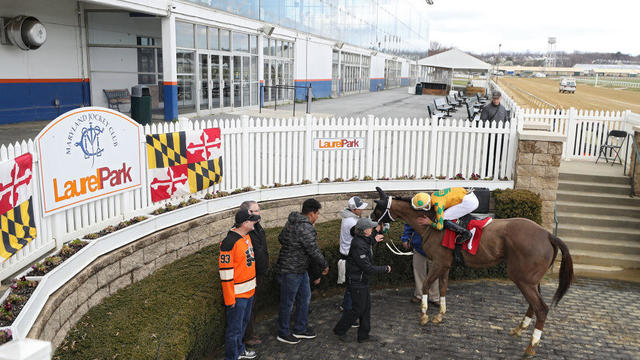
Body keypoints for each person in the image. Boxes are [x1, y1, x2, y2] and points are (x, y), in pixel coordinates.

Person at [275, 198, 329, 345]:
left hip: (300, 269)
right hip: (291, 270)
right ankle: (283, 332)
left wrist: (293, 246)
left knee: (304, 297)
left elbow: (281, 238)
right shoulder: (306, 227)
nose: (317, 217)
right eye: (317, 214)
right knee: (288, 302)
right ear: (311, 213)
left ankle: (300, 328)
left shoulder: (291, 221)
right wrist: (324, 265)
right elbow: (313, 250)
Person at [333, 217, 390, 343]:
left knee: (366, 308)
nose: (373, 229)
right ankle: (340, 330)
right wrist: (385, 269)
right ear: (365, 230)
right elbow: (367, 268)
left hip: (362, 281)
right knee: (357, 309)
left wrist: (374, 239)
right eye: (371, 227)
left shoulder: (363, 240)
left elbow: (368, 242)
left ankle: (364, 335)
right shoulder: (358, 245)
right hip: (356, 282)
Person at [219, 209, 261, 360]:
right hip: (238, 296)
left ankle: (240, 350)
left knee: (242, 327)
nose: (256, 222)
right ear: (245, 223)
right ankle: (232, 356)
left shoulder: (246, 236)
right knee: (234, 330)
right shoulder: (229, 243)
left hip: (249, 292)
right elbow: (225, 274)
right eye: (253, 220)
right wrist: (230, 299)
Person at [240, 201, 267, 346]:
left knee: (253, 305)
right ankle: (247, 336)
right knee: (248, 307)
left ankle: (250, 332)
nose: (260, 212)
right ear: (249, 213)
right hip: (251, 275)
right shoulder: (246, 230)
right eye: (257, 210)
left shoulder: (256, 226)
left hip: (259, 273)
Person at [338, 196, 369, 316]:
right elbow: (363, 237)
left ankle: (346, 305)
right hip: (351, 257)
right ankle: (349, 311)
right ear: (354, 209)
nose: (362, 211)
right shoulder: (351, 222)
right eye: (360, 209)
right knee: (353, 286)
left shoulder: (348, 218)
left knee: (351, 286)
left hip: (347, 255)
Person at [413, 187, 479, 242]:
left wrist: (429, 222)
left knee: (444, 218)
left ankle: (465, 233)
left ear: (426, 206)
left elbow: (440, 227)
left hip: (469, 202)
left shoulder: (438, 206)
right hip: (469, 194)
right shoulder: (434, 195)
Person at [401, 224, 439, 306]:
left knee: (435, 274)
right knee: (418, 272)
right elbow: (409, 223)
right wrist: (405, 238)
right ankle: (419, 294)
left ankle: (434, 297)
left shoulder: (438, 211)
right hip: (419, 247)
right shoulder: (416, 211)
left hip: (435, 248)